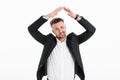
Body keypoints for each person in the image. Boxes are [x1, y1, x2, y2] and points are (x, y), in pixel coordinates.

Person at [28, 7, 96, 80]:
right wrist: (48, 16)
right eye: (56, 29)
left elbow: (91, 30)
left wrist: (76, 17)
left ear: (65, 27)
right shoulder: (48, 41)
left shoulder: (74, 41)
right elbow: (32, 29)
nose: (60, 31)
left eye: (62, 27)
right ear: (53, 31)